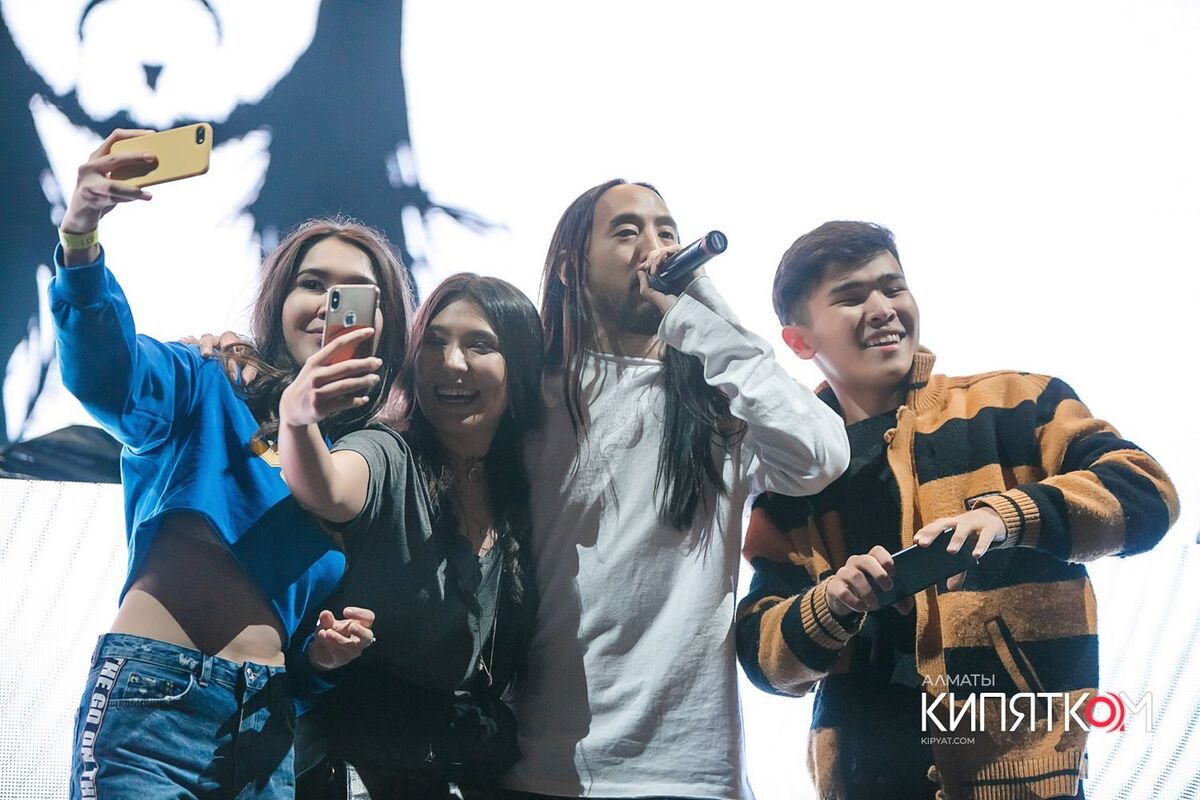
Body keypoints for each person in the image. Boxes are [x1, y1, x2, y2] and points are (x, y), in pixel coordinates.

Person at [735, 221, 1180, 800]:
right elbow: (763, 658)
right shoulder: (791, 479)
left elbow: (1147, 493)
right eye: (851, 297)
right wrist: (831, 603)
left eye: (893, 287)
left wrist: (1009, 517)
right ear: (799, 341)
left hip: (1027, 782)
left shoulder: (1018, 402)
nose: (882, 309)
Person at [52, 130, 408, 799]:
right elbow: (106, 375)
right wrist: (80, 240)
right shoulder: (208, 381)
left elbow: (299, 652)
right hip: (156, 704)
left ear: (385, 326)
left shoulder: (363, 465)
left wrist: (322, 656)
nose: (328, 306)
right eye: (311, 284)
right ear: (279, 303)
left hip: (266, 730)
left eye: (356, 295)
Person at [502, 180, 851, 800]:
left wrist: (704, 306)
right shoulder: (532, 395)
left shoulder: (718, 404)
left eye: (667, 231)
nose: (655, 247)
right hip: (545, 769)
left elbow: (821, 456)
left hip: (692, 773)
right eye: (627, 231)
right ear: (569, 267)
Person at [277, 273, 544, 799]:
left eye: (480, 345)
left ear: (521, 366)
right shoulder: (388, 452)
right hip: (358, 766)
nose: (452, 363)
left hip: (462, 766)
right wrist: (297, 417)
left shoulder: (526, 489)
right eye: (434, 342)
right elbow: (328, 488)